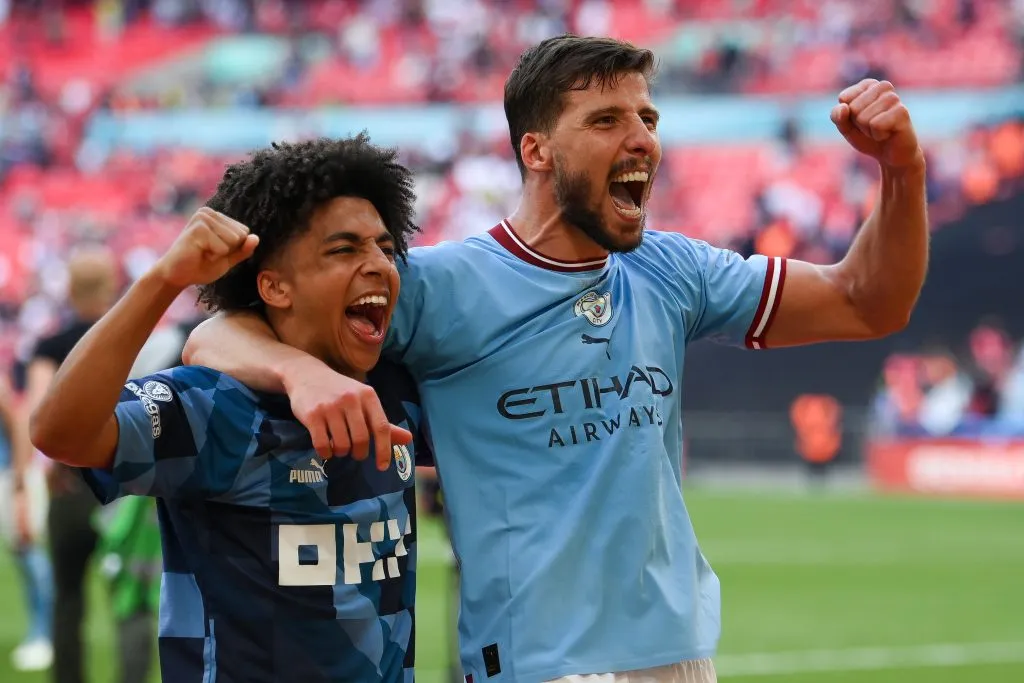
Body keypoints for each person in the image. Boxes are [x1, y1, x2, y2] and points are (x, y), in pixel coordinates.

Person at [185, 35, 929, 683]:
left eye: (648, 117)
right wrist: (302, 372)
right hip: (542, 656)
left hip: (681, 647)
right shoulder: (441, 285)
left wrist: (901, 171)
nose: (641, 137)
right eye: (606, 120)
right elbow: (217, 335)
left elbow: (867, 303)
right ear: (535, 150)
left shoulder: (672, 270)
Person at [30, 135, 430, 682]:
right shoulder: (215, 406)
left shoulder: (397, 393)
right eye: (344, 249)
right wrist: (163, 279)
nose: (379, 265)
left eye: (385, 248)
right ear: (274, 286)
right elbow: (59, 432)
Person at [19, 246, 119, 683]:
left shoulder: (52, 344)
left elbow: (35, 414)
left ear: (70, 289)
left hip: (70, 486)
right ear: (110, 286)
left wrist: (25, 482)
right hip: (126, 486)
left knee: (67, 597)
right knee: (132, 599)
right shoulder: (129, 338)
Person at [0, 372, 54, 672]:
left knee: (30, 554)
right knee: (24, 556)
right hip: (12, 476)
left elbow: (19, 421)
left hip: (15, 477)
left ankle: (43, 632)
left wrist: (20, 486)